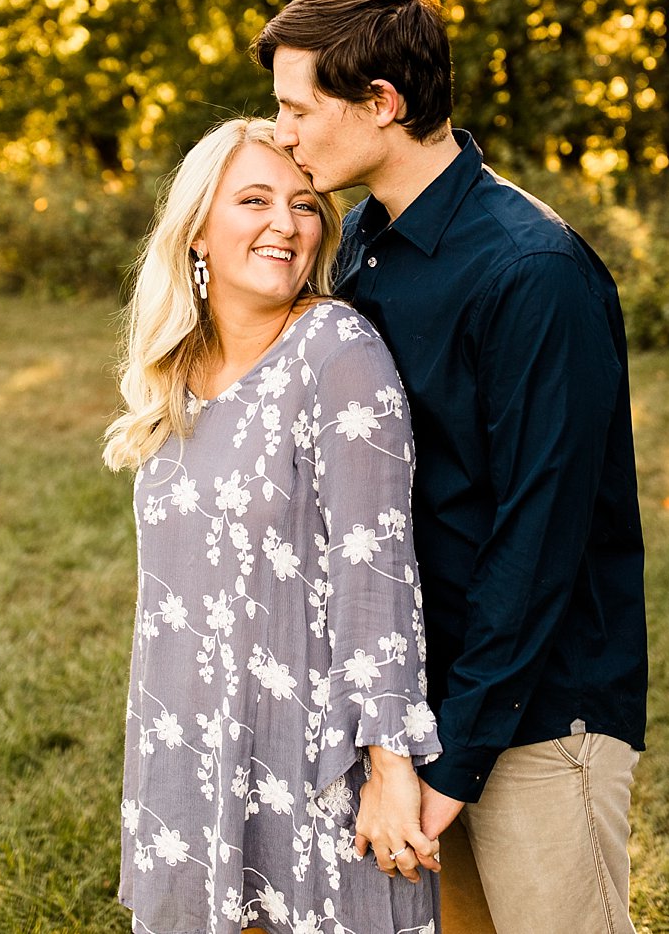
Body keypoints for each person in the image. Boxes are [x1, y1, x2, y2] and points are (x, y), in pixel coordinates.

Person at [255, 0, 648, 934]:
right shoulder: (366, 250)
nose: (283, 134)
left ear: (381, 104)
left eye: (298, 109)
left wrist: (459, 756)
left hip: (536, 716)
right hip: (422, 708)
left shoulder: (533, 273)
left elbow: (540, 537)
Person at [103, 118, 447, 934]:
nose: (285, 224)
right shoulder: (176, 370)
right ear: (196, 231)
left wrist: (390, 768)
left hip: (310, 747)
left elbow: (379, 575)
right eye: (253, 199)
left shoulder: (337, 350)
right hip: (187, 734)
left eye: (302, 205)